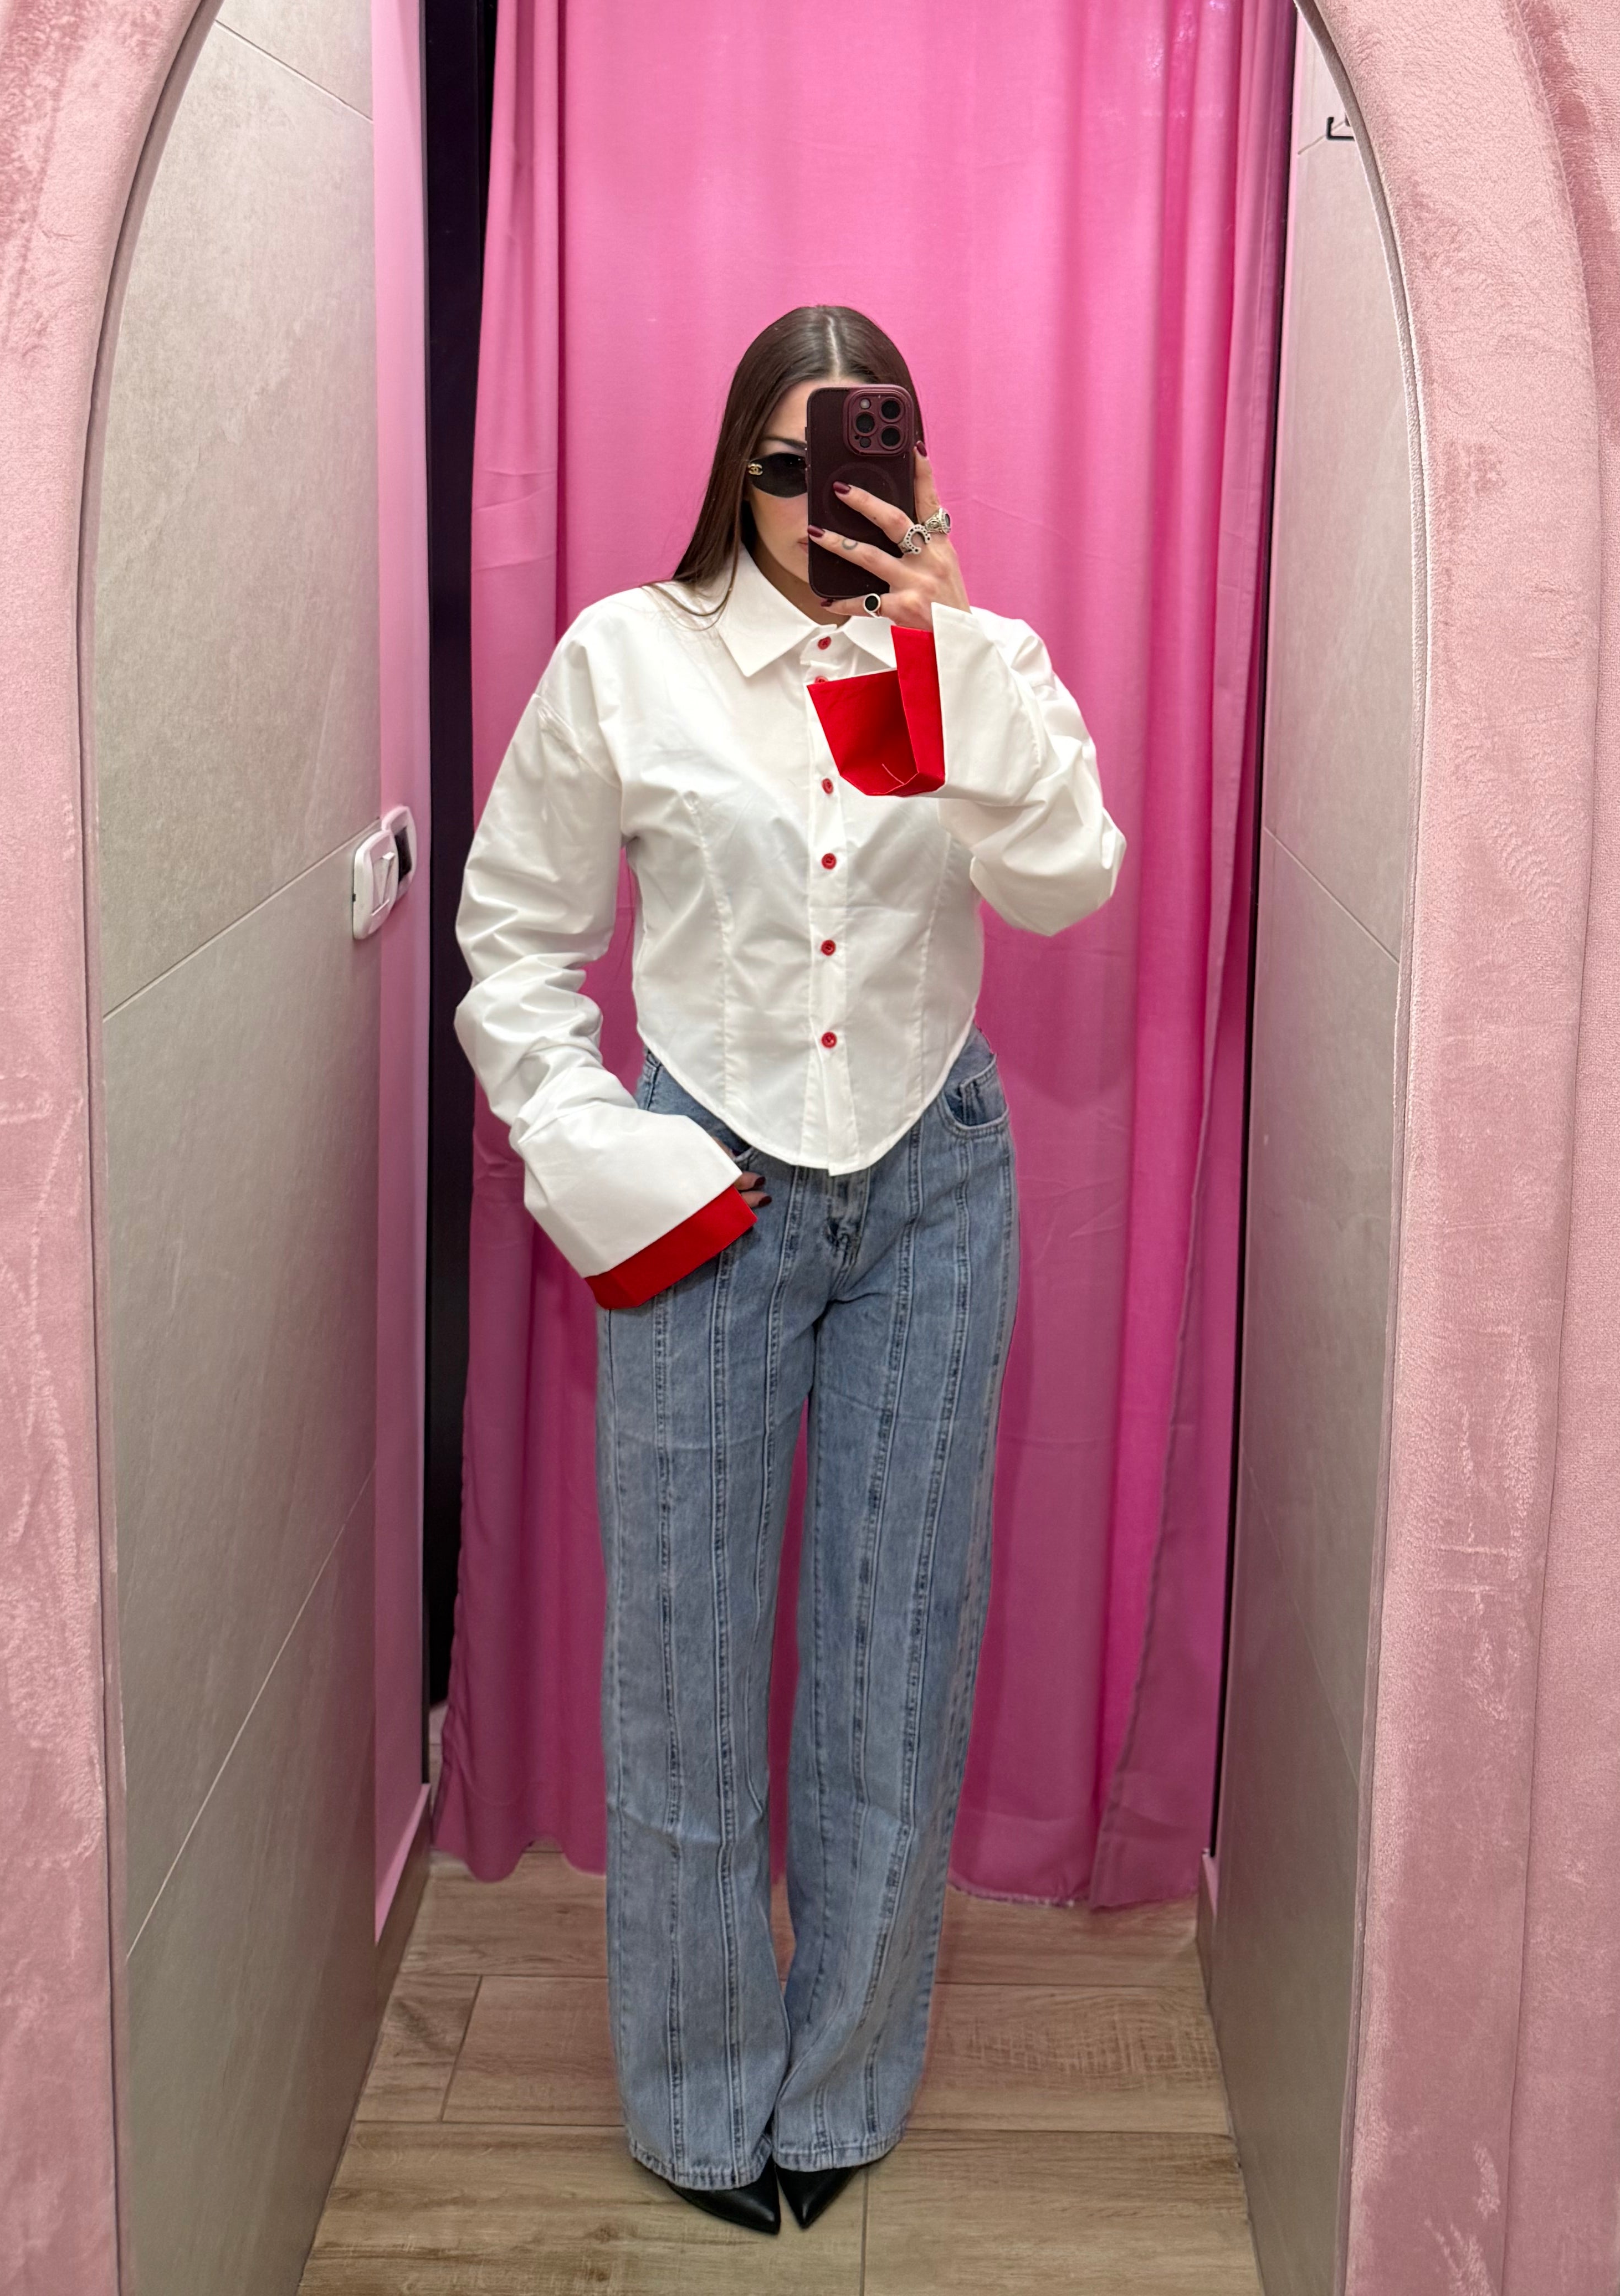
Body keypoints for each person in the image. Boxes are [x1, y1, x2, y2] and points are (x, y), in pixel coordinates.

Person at [455, 302, 1125, 2233]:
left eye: (862, 462)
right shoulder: (627, 658)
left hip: (932, 1188)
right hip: (709, 1193)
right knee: (680, 1669)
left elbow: (1065, 881)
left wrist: (948, 653)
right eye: (784, 467)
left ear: (912, 472)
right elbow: (515, 939)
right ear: (733, 471)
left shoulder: (970, 659)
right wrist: (595, 1150)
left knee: (895, 1660)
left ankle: (838, 2090)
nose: (818, 504)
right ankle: (694, 2105)